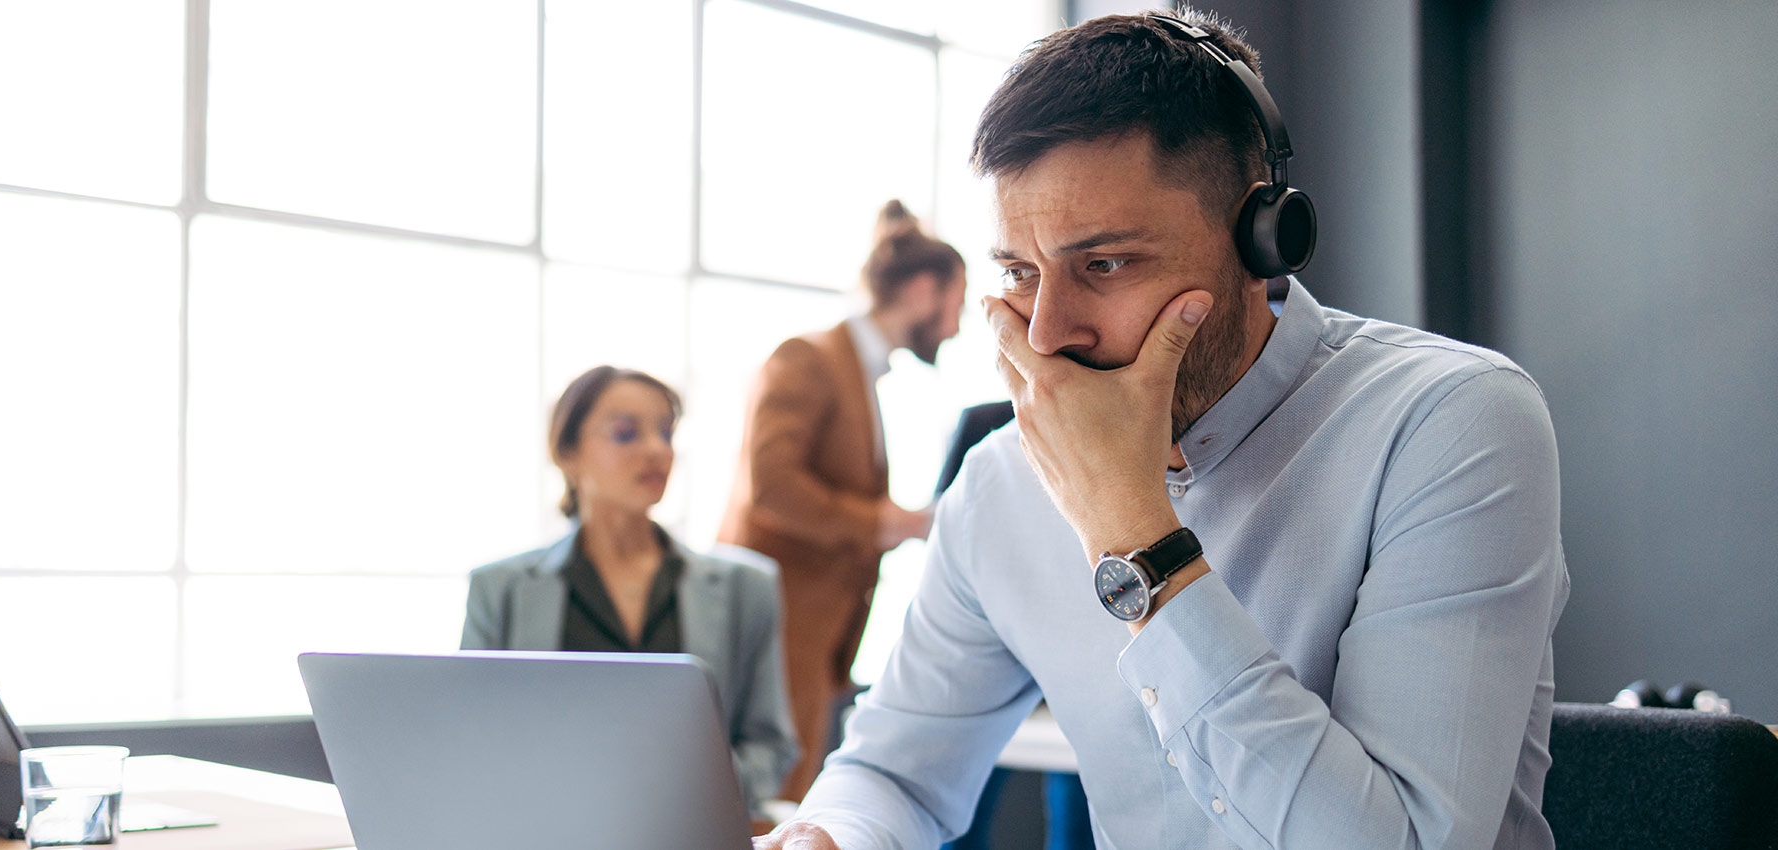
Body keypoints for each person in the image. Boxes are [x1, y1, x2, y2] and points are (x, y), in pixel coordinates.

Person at [761, 10, 1568, 850]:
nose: (1045, 334)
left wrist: (1133, 534)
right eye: (1019, 273)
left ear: (1263, 242)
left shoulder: (1450, 421)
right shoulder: (1000, 485)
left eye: (1103, 265)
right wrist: (834, 835)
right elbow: (891, 773)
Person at [461, 365, 796, 825]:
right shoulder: (500, 589)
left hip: (689, 833)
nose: (657, 450)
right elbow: (473, 737)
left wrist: (689, 789)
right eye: (625, 433)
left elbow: (771, 745)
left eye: (666, 432)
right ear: (567, 452)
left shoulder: (746, 587)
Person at [719, 200, 969, 801]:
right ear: (922, 289)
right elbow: (772, 487)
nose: (957, 327)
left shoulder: (859, 372)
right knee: (760, 809)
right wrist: (890, 523)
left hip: (816, 638)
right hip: (776, 629)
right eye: (957, 303)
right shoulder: (808, 359)